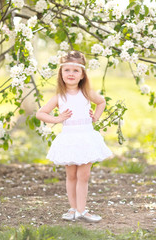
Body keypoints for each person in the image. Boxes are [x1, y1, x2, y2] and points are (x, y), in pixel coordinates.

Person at [36, 51, 113, 223]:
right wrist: (57, 119)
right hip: (69, 139)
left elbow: (101, 102)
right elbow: (40, 113)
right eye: (67, 70)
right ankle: (72, 209)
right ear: (61, 73)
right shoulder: (59, 97)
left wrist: (96, 117)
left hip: (86, 137)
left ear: (83, 74)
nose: (71, 74)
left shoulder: (86, 93)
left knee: (83, 175)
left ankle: (82, 210)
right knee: (71, 175)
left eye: (75, 71)